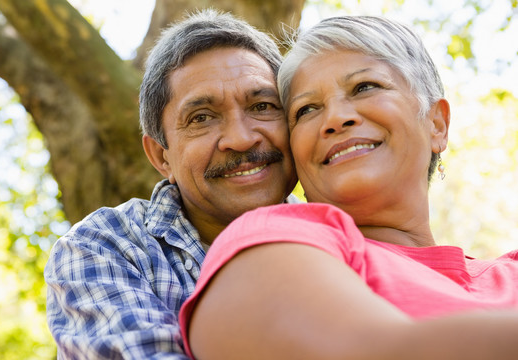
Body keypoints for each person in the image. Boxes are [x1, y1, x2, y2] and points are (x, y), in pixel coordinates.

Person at [179, 15, 518, 360]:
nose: (336, 118)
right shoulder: (270, 239)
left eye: (364, 87)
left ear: (437, 124)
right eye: (307, 109)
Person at [44, 9, 298, 359]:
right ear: (162, 156)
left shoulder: (351, 233)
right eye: (202, 118)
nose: (240, 139)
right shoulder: (104, 246)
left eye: (263, 106)